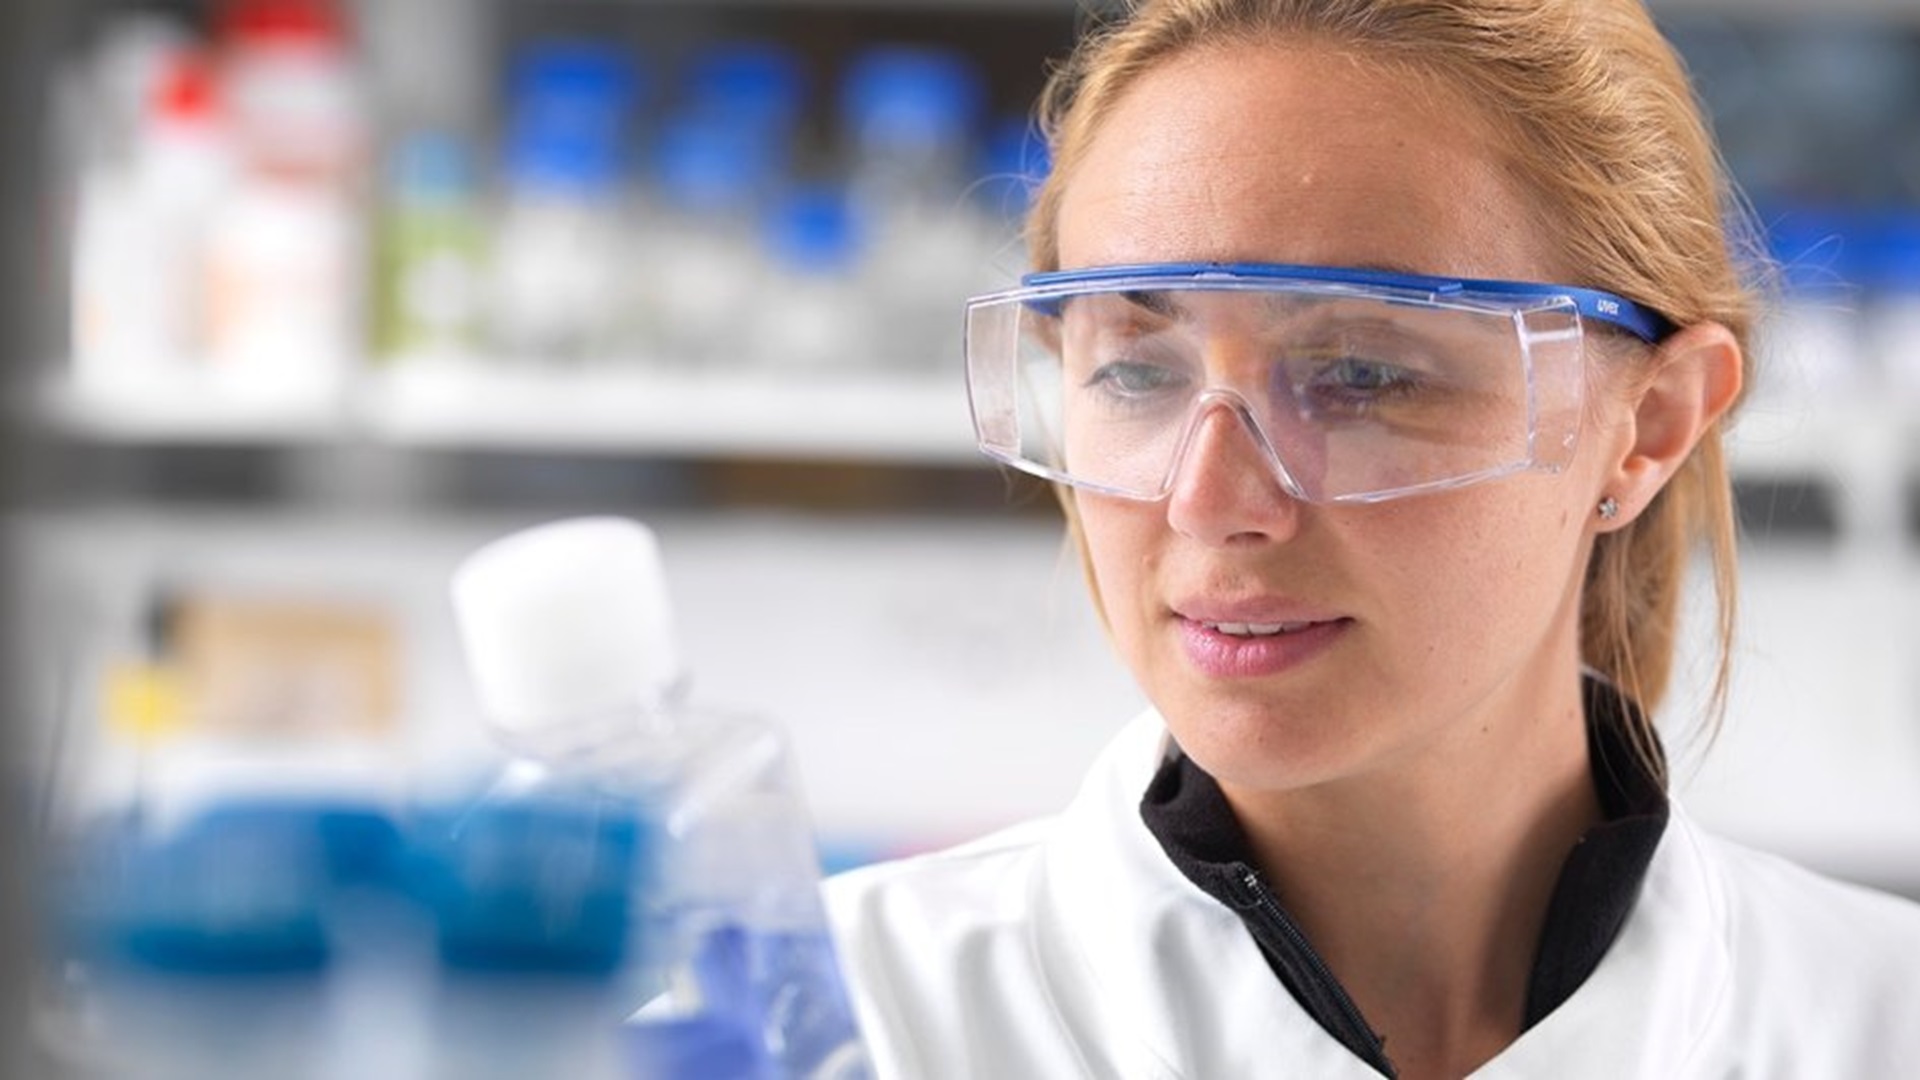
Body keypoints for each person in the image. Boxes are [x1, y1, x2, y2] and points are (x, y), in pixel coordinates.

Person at [824, 1, 1920, 1077]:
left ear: (1650, 427)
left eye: (1361, 375)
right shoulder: (826, 1022)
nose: (1209, 500)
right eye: (1135, 369)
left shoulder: (1882, 1022)